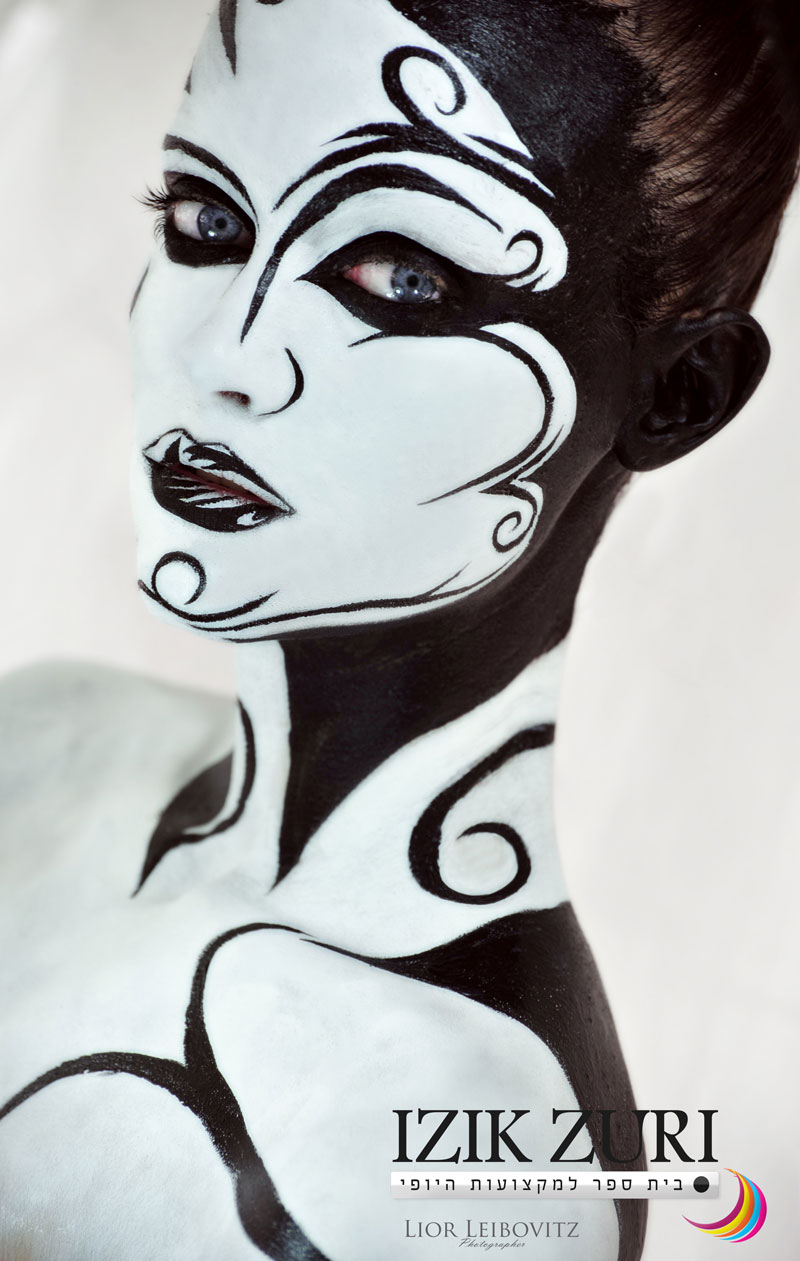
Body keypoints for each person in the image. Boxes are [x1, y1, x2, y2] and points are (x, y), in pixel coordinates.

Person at [0, 1, 797, 1258]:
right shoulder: (40, 737)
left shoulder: (470, 1177)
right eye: (205, 220)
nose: (224, 351)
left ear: (675, 393)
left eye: (401, 279)